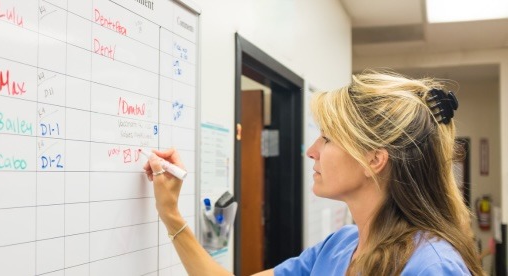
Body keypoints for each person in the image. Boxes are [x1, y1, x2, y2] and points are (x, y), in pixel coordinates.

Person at [143, 70, 484, 275]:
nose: (311, 151)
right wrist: (170, 214)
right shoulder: (339, 247)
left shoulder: (432, 266)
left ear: (374, 159)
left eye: (328, 138)